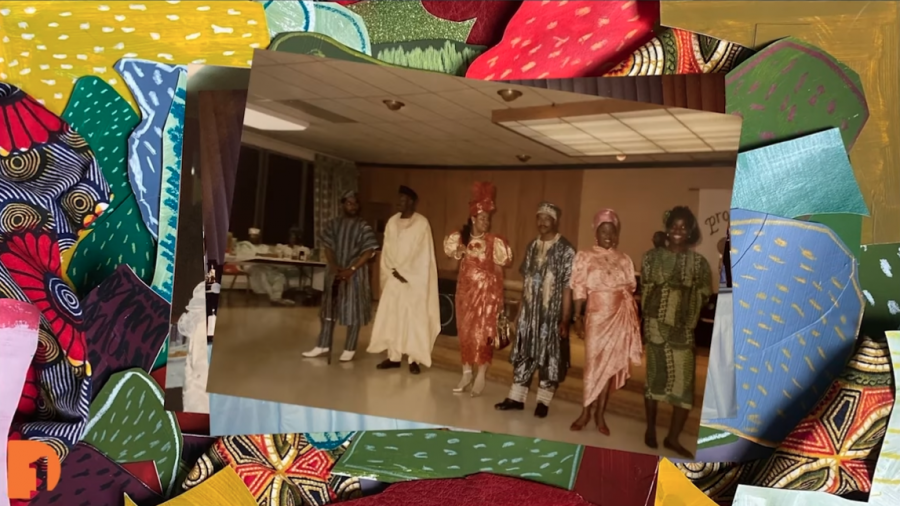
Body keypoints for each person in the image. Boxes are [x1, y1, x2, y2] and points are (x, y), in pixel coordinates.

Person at [641, 206, 712, 458]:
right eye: (674, 225)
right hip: (656, 327)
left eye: (684, 226)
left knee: (684, 385)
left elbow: (704, 291)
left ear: (691, 230)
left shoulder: (699, 263)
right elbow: (647, 289)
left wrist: (685, 302)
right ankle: (650, 429)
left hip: (683, 330)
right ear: (667, 228)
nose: (678, 230)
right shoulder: (651, 257)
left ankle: (672, 438)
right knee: (654, 379)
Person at [494, 202, 574, 418]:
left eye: (547, 218)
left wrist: (565, 319)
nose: (542, 222)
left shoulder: (566, 249)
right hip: (529, 314)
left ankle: (543, 401)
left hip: (551, 316)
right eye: (539, 218)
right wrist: (520, 313)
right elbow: (526, 282)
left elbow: (568, 287)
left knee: (549, 357)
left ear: (555, 221)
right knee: (524, 353)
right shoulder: (531, 246)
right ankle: (516, 397)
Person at [569, 209, 642, 434]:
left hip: (619, 317)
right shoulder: (585, 256)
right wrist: (577, 317)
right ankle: (585, 411)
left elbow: (630, 288)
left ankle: (600, 414)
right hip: (596, 317)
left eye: (612, 231)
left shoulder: (625, 259)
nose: (608, 235)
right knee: (592, 366)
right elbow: (580, 288)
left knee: (609, 368)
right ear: (596, 233)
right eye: (604, 231)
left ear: (617, 234)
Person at [443, 182, 513, 397]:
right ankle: (466, 372)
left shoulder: (494, 241)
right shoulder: (461, 239)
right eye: (482, 219)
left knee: (484, 334)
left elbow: (502, 265)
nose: (486, 223)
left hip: (487, 297)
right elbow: (451, 255)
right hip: (465, 295)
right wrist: (462, 250)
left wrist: (497, 297)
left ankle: (481, 373)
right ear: (473, 219)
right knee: (466, 333)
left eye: (488, 219)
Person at [368, 185, 441, 375]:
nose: (398, 202)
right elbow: (387, 249)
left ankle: (413, 358)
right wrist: (393, 270)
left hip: (413, 281)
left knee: (413, 319)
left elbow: (423, 254)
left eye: (401, 199)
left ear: (411, 201)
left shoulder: (421, 223)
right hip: (393, 278)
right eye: (398, 199)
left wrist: (406, 272)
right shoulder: (392, 222)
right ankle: (393, 356)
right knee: (393, 317)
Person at [303, 191, 380, 362]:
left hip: (356, 274)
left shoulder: (363, 226)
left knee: (353, 310)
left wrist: (351, 269)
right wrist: (334, 266)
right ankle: (322, 345)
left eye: (355, 203)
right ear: (343, 205)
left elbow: (368, 251)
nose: (352, 206)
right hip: (335, 272)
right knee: (328, 309)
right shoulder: (333, 224)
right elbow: (328, 247)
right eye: (349, 203)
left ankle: (350, 348)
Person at [235, 227, 296, 306]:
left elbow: (271, 256)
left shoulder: (264, 247)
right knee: (261, 273)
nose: (255, 238)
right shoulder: (245, 245)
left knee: (279, 276)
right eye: (253, 236)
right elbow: (246, 257)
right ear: (249, 236)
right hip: (251, 267)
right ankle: (272, 297)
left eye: (256, 236)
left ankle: (277, 297)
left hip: (266, 267)